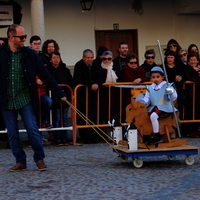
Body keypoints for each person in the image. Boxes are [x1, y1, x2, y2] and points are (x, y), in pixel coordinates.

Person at [0, 24, 66, 172]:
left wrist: (59, 92)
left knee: (32, 128)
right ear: (11, 37)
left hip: (25, 97)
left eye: (25, 36)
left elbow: (45, 74)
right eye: (21, 37)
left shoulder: (30, 54)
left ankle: (39, 159)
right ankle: (20, 161)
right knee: (12, 133)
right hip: (6, 99)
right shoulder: (1, 53)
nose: (24, 39)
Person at [139, 66, 177, 144]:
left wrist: (171, 92)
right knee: (144, 116)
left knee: (153, 116)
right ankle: (147, 134)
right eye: (153, 77)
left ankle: (156, 135)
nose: (155, 79)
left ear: (162, 77)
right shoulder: (150, 88)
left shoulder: (167, 86)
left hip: (165, 107)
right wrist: (143, 102)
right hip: (153, 107)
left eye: (157, 77)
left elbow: (173, 97)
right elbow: (148, 99)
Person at [73, 49, 103, 143]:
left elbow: (101, 77)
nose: (90, 59)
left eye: (91, 57)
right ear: (83, 58)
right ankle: (85, 136)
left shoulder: (96, 64)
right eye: (88, 58)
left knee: (93, 115)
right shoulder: (79, 65)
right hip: (82, 94)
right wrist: (91, 83)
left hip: (93, 95)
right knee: (83, 115)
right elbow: (78, 78)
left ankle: (94, 136)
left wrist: (97, 83)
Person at [47, 52, 73, 146]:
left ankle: (64, 138)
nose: (56, 59)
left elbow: (70, 82)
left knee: (64, 118)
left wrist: (68, 96)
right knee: (56, 118)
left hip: (64, 97)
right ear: (50, 60)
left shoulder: (65, 70)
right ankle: (57, 138)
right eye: (54, 58)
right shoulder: (48, 70)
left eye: (57, 57)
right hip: (54, 97)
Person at [30, 35, 53, 129]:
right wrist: (35, 80)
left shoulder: (42, 56)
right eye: (35, 44)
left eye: (39, 43)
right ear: (30, 44)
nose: (37, 46)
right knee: (33, 112)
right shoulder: (27, 55)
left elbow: (46, 71)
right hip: (31, 89)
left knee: (48, 102)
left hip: (42, 89)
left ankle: (43, 121)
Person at [99, 50, 120, 123]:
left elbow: (119, 79)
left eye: (109, 59)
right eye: (105, 59)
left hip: (114, 93)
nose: (107, 60)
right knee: (104, 111)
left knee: (114, 111)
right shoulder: (99, 68)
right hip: (103, 93)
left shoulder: (116, 67)